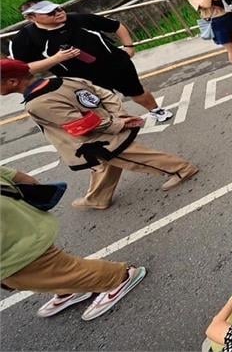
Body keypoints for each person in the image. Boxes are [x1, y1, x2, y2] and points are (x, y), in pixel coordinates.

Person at [0, 59, 198, 210]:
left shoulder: (37, 103)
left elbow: (80, 125)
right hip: (103, 131)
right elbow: (102, 93)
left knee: (135, 157)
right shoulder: (62, 80)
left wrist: (117, 123)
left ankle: (181, 169)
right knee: (102, 165)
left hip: (96, 139)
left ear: (12, 81)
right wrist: (117, 114)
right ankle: (98, 198)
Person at [1, 165, 148, 321]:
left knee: (38, 271)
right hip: (21, 224)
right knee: (37, 274)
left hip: (13, 241)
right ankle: (70, 288)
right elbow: (24, 179)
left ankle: (119, 277)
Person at [9, 0, 173, 123]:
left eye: (58, 8)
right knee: (102, 104)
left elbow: (117, 26)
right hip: (80, 80)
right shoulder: (25, 39)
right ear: (31, 17)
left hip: (115, 65)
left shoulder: (80, 19)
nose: (58, 13)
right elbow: (24, 69)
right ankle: (120, 125)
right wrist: (57, 59)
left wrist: (129, 47)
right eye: (50, 13)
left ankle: (156, 110)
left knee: (137, 91)